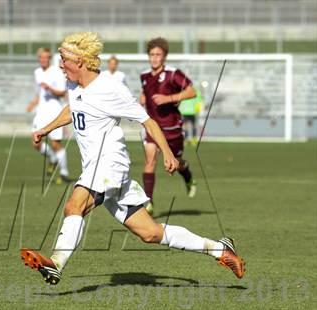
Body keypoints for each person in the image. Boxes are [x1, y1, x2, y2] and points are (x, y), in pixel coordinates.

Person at [20, 32, 245, 285]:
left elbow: (147, 120)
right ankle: (220, 249)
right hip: (98, 168)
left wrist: (168, 153)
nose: (60, 64)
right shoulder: (74, 85)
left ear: (81, 60)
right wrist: (46, 128)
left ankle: (56, 262)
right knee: (150, 233)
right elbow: (73, 109)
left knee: (75, 205)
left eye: (63, 59)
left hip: (109, 164)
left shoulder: (109, 88)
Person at [140, 37, 197, 215]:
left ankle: (186, 172)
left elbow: (192, 91)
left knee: (174, 164)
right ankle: (148, 202)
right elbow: (146, 93)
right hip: (152, 127)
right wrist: (142, 100)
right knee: (150, 161)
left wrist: (168, 99)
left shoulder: (173, 74)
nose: (154, 58)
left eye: (158, 54)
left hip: (172, 128)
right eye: (152, 54)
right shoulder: (144, 75)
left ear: (164, 56)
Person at [26, 47, 70, 184]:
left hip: (54, 110)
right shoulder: (37, 72)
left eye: (45, 57)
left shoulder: (57, 72)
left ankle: (64, 173)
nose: (43, 59)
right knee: (35, 142)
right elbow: (40, 92)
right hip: (41, 112)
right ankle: (52, 158)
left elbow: (63, 93)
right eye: (41, 57)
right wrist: (33, 103)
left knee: (55, 143)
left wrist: (50, 88)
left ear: (49, 58)